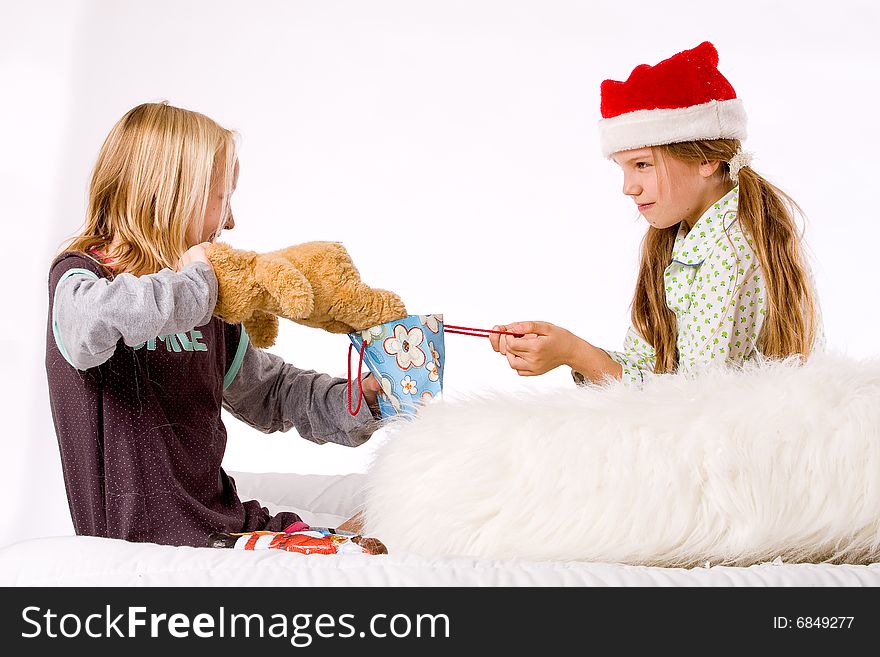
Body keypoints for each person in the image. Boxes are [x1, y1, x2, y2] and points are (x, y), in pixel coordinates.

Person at [46, 101, 383, 547]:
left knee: (371, 541)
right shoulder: (81, 280)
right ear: (166, 193)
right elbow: (98, 326)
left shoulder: (206, 301)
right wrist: (196, 283)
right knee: (351, 557)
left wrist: (360, 400)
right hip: (157, 541)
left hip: (223, 523)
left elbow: (272, 393)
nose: (230, 220)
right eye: (222, 197)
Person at [489, 41, 825, 387]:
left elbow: (693, 400)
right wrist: (566, 350)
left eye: (643, 165)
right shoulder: (678, 239)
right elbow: (652, 369)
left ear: (706, 159)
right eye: (623, 169)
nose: (628, 187)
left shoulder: (732, 251)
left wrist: (575, 353)